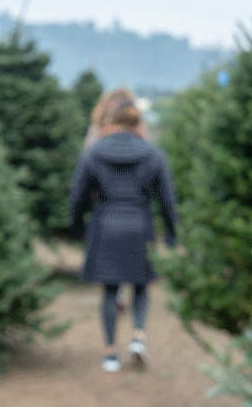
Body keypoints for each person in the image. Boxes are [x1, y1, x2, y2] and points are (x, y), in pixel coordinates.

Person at [69, 88, 178, 373]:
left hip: (105, 226)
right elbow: (167, 198)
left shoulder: (93, 152)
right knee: (140, 286)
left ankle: (110, 354)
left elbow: (77, 195)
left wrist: (77, 228)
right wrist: (171, 235)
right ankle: (139, 336)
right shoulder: (153, 153)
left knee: (110, 290)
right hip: (140, 226)